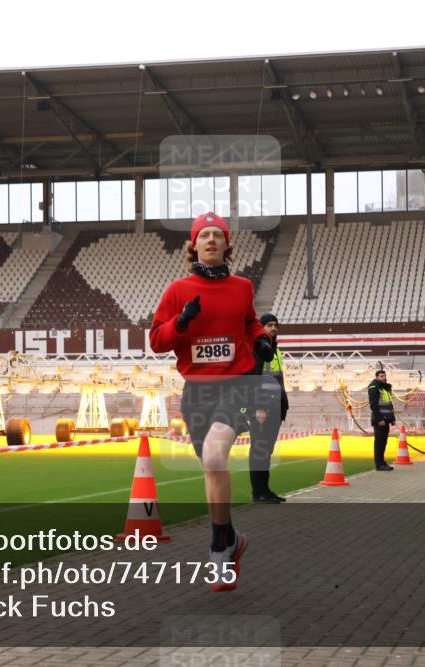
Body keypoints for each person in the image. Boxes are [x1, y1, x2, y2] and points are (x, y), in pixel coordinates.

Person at [150, 211, 274, 591]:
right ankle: (232, 539)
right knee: (210, 465)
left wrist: (259, 340)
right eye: (203, 235)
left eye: (216, 235)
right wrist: (181, 324)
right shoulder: (177, 291)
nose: (210, 240)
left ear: (226, 245)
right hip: (197, 391)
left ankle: (219, 549)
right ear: (194, 245)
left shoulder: (242, 288)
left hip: (237, 386)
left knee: (217, 457)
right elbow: (157, 341)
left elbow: (250, 322)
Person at [247, 313, 288, 503]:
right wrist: (259, 407)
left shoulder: (276, 350)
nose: (273, 328)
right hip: (263, 409)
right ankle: (259, 492)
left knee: (266, 450)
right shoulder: (258, 349)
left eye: (276, 325)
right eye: (269, 325)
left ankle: (265, 490)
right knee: (260, 449)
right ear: (261, 328)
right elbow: (254, 380)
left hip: (276, 407)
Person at [367, 369, 396, 471]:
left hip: (386, 419)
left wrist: (392, 418)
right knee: (379, 442)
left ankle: (382, 463)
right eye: (381, 376)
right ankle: (379, 464)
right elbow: (373, 405)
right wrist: (379, 419)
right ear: (377, 377)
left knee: (383, 442)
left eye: (384, 376)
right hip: (379, 420)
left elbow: (389, 404)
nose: (384, 378)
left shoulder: (385, 388)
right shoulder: (374, 387)